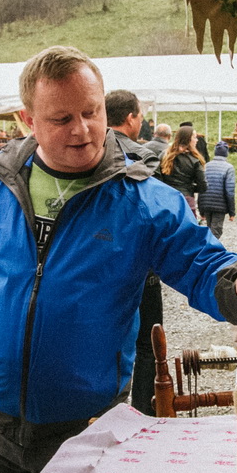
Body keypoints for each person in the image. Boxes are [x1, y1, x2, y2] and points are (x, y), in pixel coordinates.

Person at [0, 45, 237, 473]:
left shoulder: (142, 198)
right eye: (62, 118)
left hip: (84, 425)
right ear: (28, 120)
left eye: (91, 112)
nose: (82, 130)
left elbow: (200, 262)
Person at [105, 89, 163, 418]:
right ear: (130, 118)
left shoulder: (87, 151)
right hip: (140, 266)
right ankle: (143, 410)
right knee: (148, 343)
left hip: (100, 261)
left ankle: (106, 410)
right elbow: (155, 213)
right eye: (140, 115)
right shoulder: (144, 157)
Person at [157, 126, 208, 216]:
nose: (197, 140)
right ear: (188, 139)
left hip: (167, 198)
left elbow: (157, 177)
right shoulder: (195, 160)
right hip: (186, 200)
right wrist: (190, 187)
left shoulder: (164, 155)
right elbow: (203, 185)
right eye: (195, 137)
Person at [199, 141, 237, 239]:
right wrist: (232, 212)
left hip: (205, 203)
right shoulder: (229, 168)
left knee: (209, 230)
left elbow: (201, 187)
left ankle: (208, 247)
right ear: (226, 153)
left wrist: (201, 209)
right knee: (216, 231)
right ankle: (211, 248)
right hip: (220, 204)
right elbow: (229, 191)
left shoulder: (206, 166)